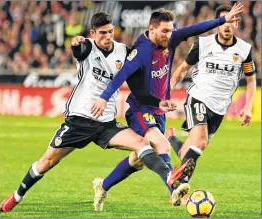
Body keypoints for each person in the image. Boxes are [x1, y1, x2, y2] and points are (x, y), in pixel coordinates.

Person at [0, 12, 192, 213]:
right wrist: (75, 44)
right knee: (46, 162)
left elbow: (138, 89)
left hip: (106, 124)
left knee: (142, 143)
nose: (108, 37)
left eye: (110, 32)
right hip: (79, 121)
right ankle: (16, 197)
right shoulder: (87, 47)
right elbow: (78, 51)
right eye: (102, 33)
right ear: (93, 33)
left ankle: (170, 179)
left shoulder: (123, 52)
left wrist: (158, 102)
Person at [91, 4, 244, 209]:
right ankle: (175, 189)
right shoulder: (141, 51)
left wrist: (222, 20)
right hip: (140, 110)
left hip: (159, 111)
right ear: (152, 29)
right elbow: (121, 76)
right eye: (164, 31)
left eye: (171, 30)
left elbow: (195, 29)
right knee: (163, 145)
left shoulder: (170, 38)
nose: (169, 35)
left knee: (138, 160)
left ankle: (103, 186)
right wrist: (103, 97)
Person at [166, 4, 256, 205]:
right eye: (223, 21)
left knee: (189, 151)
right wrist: (168, 92)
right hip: (198, 97)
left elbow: (251, 80)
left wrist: (248, 106)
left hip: (220, 107)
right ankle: (177, 181)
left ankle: (171, 139)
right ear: (218, 24)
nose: (227, 25)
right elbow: (182, 70)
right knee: (201, 141)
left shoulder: (244, 50)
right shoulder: (203, 44)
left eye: (231, 21)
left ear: (236, 23)